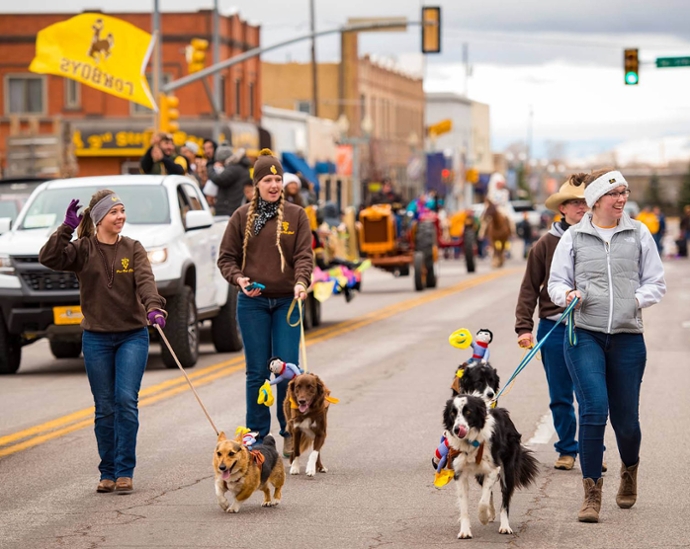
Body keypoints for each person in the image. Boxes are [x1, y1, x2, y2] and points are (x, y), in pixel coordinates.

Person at [548, 169, 666, 523]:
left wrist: (634, 300)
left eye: (624, 192)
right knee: (594, 407)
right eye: (615, 194)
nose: (622, 199)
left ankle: (629, 471)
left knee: (627, 421)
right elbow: (556, 283)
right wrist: (567, 294)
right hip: (584, 333)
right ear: (596, 199)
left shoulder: (638, 233)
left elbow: (656, 283)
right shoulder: (573, 238)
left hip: (628, 337)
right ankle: (591, 493)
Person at [38, 190, 167, 494]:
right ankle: (106, 471)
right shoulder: (82, 249)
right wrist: (65, 228)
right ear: (99, 218)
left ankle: (124, 471)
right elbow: (49, 257)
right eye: (114, 212)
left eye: (122, 210)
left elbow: (147, 282)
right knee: (104, 407)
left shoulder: (133, 248)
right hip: (96, 338)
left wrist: (154, 307)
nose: (120, 216)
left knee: (125, 400)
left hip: (132, 336)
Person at [217, 149, 313, 458]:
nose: (274, 185)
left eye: (278, 179)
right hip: (252, 303)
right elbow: (226, 258)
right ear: (255, 184)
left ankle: (289, 431)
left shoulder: (297, 215)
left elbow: (303, 257)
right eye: (267, 180)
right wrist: (240, 280)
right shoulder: (242, 217)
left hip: (287, 300)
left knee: (286, 370)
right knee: (257, 372)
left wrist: (301, 282)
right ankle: (257, 437)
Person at [515, 178, 589, 471]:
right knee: (560, 394)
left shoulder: (598, 237)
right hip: (553, 327)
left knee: (591, 394)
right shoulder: (544, 245)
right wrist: (523, 327)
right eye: (576, 203)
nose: (582, 207)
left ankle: (593, 448)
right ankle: (567, 449)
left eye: (586, 202)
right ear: (563, 208)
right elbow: (529, 289)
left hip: (589, 328)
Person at [208, 143, 252, 217]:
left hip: (228, 209)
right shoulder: (242, 168)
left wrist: (211, 169)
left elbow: (219, 179)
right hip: (234, 206)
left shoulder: (234, 168)